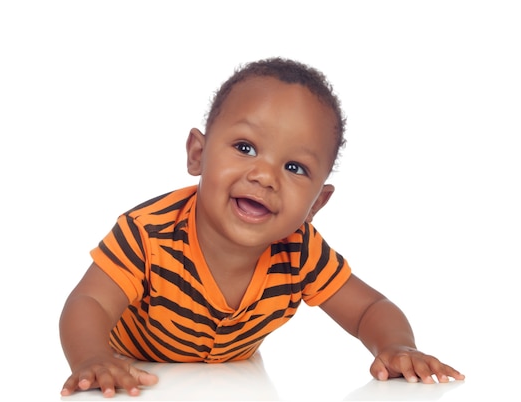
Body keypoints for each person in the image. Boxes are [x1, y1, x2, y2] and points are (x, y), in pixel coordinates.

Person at [59, 57, 465, 398]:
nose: (265, 176)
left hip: (239, 386)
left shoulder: (299, 252)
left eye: (294, 168)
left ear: (316, 204)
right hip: (137, 379)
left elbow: (369, 309)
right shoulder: (147, 235)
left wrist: (395, 345)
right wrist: (92, 358)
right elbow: (87, 305)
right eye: (245, 148)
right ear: (198, 154)